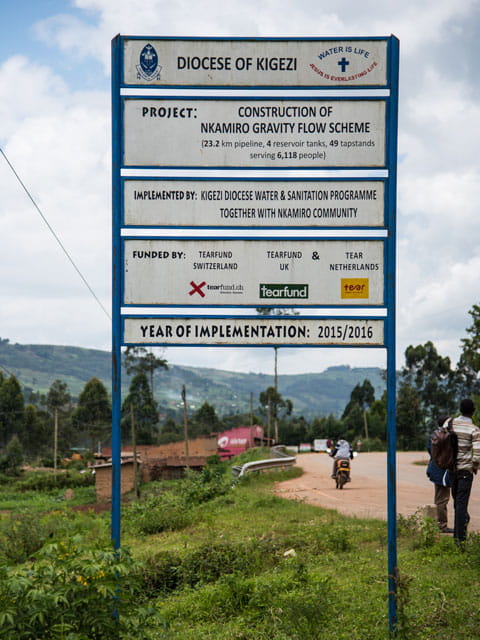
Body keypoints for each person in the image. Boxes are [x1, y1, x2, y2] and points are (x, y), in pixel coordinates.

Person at [451, 398, 480, 545]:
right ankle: (460, 541)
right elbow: (478, 453)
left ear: (460, 409)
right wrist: (474, 466)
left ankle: (457, 535)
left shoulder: (450, 423)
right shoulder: (474, 429)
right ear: (473, 411)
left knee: (457, 502)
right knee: (461, 504)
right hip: (465, 471)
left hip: (451, 470)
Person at [426, 415, 453, 533]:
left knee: (438, 498)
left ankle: (438, 523)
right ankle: (442, 525)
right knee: (442, 499)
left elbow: (429, 450)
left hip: (435, 469)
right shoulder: (445, 436)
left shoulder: (434, 435)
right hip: (443, 472)